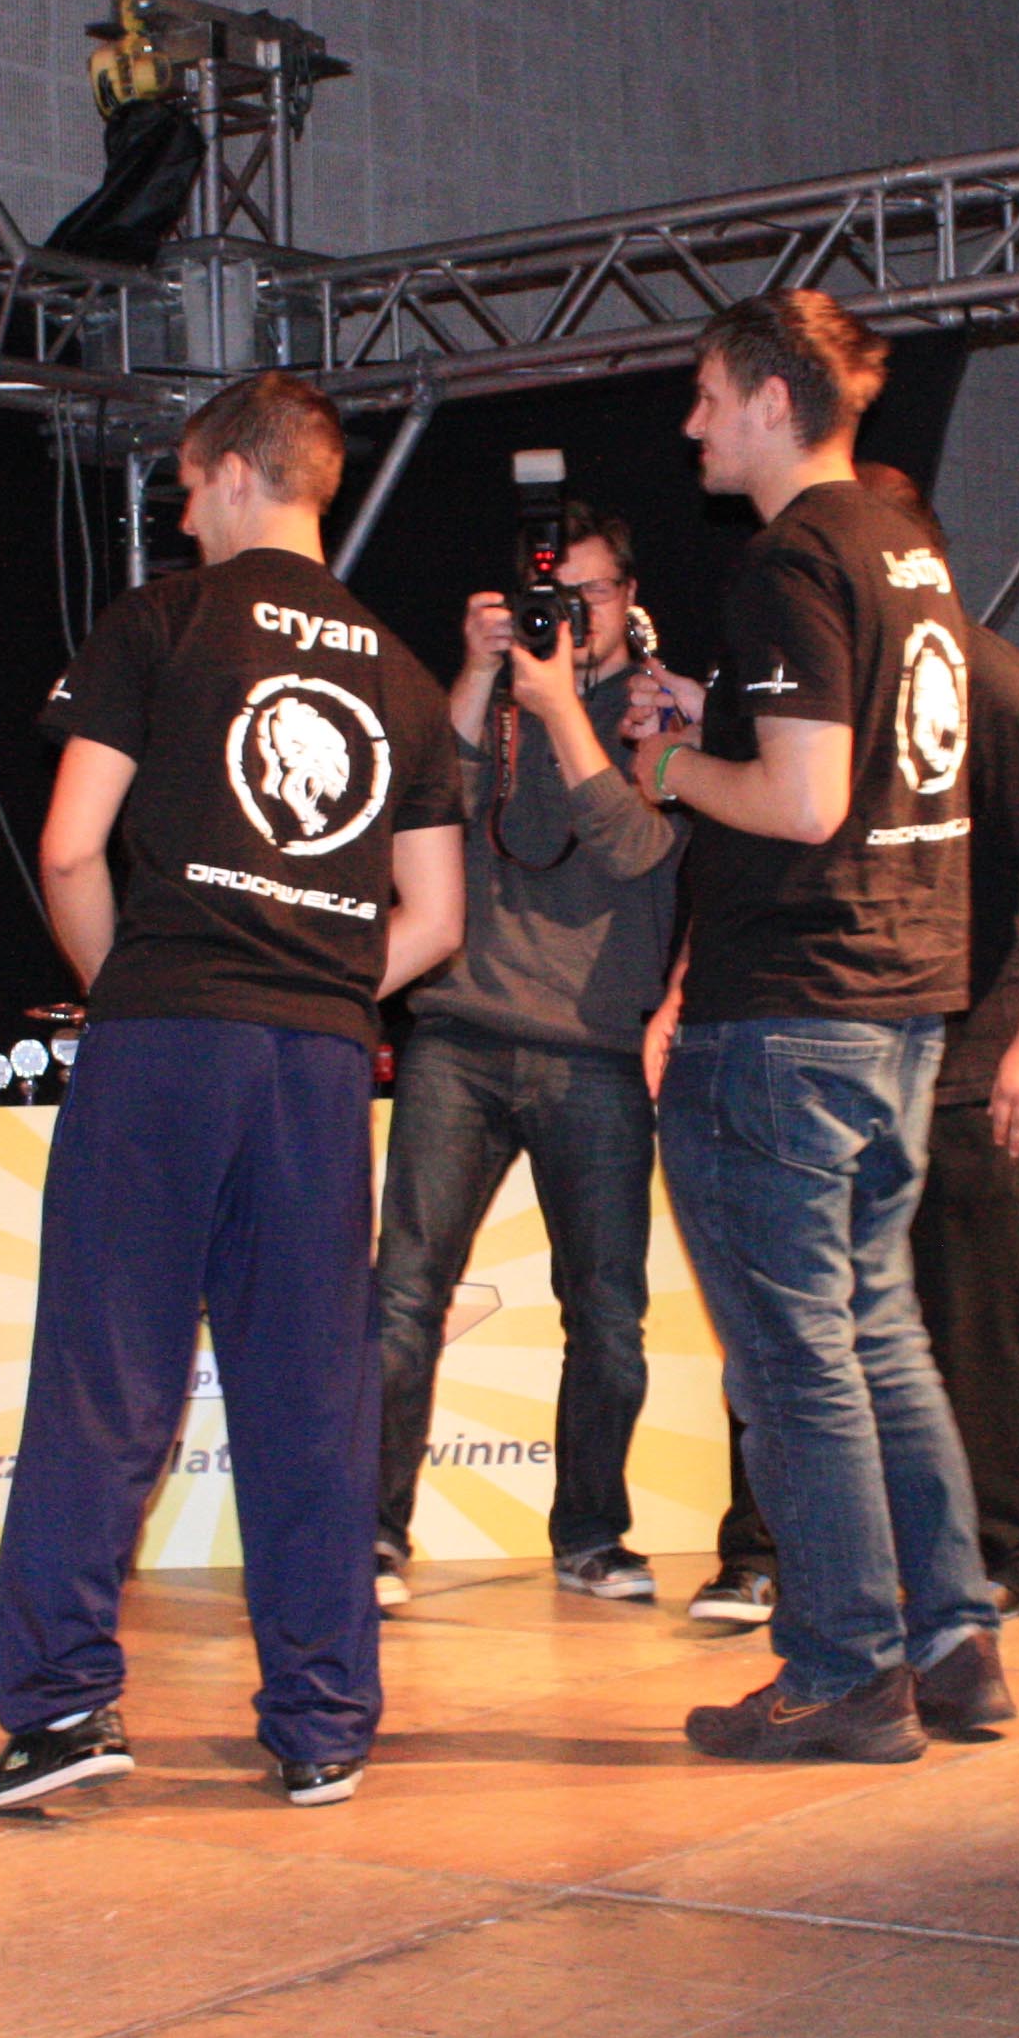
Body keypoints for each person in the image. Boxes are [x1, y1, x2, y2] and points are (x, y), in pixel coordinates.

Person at [0, 372, 467, 1814]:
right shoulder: (403, 672)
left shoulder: (163, 620)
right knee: (312, 1395)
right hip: (319, 1062)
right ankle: (322, 1723)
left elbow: (71, 847)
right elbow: (436, 919)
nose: (183, 515)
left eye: (188, 486)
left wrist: (130, 989)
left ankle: (62, 1705)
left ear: (239, 472)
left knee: (107, 1377)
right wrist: (323, 986)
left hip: (168, 1036)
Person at [635, 289, 1005, 1764]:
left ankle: (845, 1671)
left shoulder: (790, 555)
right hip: (899, 998)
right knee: (876, 1333)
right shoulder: (906, 550)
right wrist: (715, 710)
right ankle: (952, 1642)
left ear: (773, 401)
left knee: (795, 1359)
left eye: (708, 395)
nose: (693, 425)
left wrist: (668, 767)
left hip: (788, 1012)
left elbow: (801, 802)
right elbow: (843, 745)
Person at [370, 498, 682, 1612]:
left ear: (629, 597)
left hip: (595, 1049)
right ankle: (371, 1535)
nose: (573, 614)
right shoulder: (489, 704)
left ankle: (591, 1536)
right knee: (403, 1295)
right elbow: (424, 816)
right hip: (459, 1031)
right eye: (556, 595)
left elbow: (639, 847)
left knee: (607, 1316)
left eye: (593, 592)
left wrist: (559, 710)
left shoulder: (662, 707)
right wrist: (475, 675)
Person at [854, 467, 1019, 1622]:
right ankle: (886, 1552)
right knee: (867, 1330)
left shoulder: (998, 684)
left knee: (975, 1328)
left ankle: (1004, 1554)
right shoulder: (862, 688)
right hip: (874, 1059)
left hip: (977, 1066)